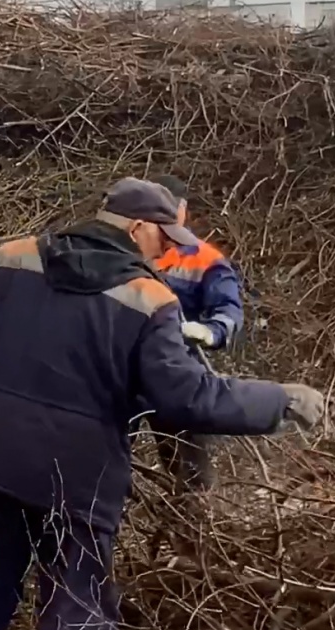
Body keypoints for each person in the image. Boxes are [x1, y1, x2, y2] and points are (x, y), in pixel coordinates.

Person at [0, 177, 325, 630]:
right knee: (80, 602)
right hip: (78, 479)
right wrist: (279, 400)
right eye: (165, 237)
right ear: (136, 228)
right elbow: (186, 397)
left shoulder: (13, 259)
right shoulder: (148, 299)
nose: (170, 249)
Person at [146, 174, 244, 494]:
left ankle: (195, 526)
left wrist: (210, 332)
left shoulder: (205, 260)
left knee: (191, 473)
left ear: (182, 209)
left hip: (174, 368)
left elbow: (229, 310)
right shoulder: (128, 251)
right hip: (120, 367)